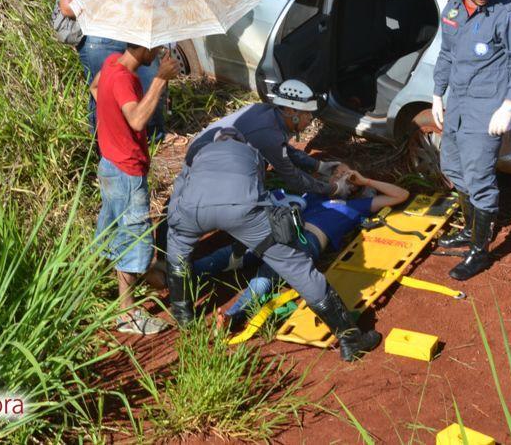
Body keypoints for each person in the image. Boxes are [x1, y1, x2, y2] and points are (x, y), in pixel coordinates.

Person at [164, 127, 382, 361]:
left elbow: (179, 191)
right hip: (242, 209)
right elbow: (258, 190)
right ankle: (350, 339)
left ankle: (183, 315)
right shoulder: (252, 153)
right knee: (297, 267)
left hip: (190, 210)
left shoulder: (199, 152)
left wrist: (177, 225)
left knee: (178, 252)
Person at [192, 170, 409, 328]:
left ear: (354, 189)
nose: (339, 177)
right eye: (337, 174)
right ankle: (182, 274)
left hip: (306, 241)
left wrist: (365, 179)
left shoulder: (354, 206)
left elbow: (401, 195)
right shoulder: (313, 196)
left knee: (267, 275)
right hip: (277, 231)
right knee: (229, 255)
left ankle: (232, 316)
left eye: (345, 176)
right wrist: (329, 180)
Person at [431, 0, 511, 281]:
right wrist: (436, 94)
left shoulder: (506, 14)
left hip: (487, 108)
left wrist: (508, 105)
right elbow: (446, 54)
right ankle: (471, 228)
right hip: (458, 102)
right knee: (451, 166)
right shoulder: (452, 11)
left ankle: (480, 250)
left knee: (479, 178)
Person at [91, 42, 179, 334]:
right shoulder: (125, 78)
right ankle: (127, 312)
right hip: (127, 170)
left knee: (113, 229)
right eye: (153, 47)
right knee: (133, 237)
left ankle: (105, 287)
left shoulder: (112, 63)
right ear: (142, 46)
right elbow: (138, 119)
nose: (156, 52)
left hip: (110, 164)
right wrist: (160, 78)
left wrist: (112, 129)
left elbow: (94, 88)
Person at [57, 0, 166, 138]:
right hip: (98, 40)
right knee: (105, 91)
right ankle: (104, 139)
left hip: (131, 32)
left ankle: (153, 136)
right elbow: (66, 7)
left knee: (149, 77)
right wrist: (106, 3)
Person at [187, 80, 352, 199]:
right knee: (252, 185)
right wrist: (333, 189)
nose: (310, 118)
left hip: (205, 150)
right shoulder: (267, 134)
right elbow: (294, 179)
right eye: (306, 113)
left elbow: (282, 149)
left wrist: (319, 166)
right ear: (289, 110)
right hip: (201, 166)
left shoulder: (268, 113)